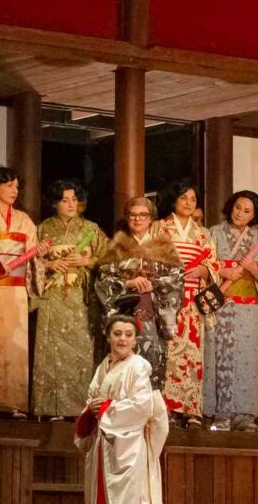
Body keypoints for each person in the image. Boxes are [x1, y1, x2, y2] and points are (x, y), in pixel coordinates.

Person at [75, 314, 180, 504]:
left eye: (128, 334)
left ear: (135, 339)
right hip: (105, 448)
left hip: (129, 450)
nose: (122, 339)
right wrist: (91, 411)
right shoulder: (103, 367)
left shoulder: (138, 366)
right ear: (109, 336)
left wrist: (106, 408)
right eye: (117, 333)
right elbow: (92, 399)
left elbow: (143, 406)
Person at [34, 180, 110, 418]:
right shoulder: (43, 229)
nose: (70, 204)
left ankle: (82, 409)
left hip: (80, 297)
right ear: (55, 202)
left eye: (74, 200)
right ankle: (49, 408)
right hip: (53, 295)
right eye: (65, 200)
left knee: (82, 351)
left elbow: (110, 258)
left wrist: (87, 262)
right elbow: (31, 261)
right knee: (51, 351)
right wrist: (48, 263)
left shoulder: (91, 228)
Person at [205, 191, 258, 431]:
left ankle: (244, 414)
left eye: (247, 211)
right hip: (221, 303)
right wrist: (222, 271)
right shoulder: (214, 232)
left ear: (254, 215)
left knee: (246, 358)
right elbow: (204, 264)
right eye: (238, 207)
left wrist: (253, 268)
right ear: (231, 206)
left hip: (248, 307)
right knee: (218, 354)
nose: (240, 213)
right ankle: (219, 412)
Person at [94, 196, 184, 388]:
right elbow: (103, 280)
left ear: (151, 218)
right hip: (124, 312)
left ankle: (149, 411)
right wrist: (127, 283)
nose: (138, 219)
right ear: (126, 218)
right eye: (133, 215)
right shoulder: (116, 246)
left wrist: (156, 285)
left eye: (143, 215)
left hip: (152, 311)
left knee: (151, 359)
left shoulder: (164, 246)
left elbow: (177, 278)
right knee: (122, 358)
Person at [0, 167, 48, 415]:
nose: (14, 191)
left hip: (16, 287)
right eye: (9, 185)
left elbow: (31, 254)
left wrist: (37, 254)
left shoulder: (24, 219)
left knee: (16, 342)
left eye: (17, 187)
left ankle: (15, 401)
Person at [155, 179, 218, 425]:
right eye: (184, 198)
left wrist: (204, 270)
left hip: (192, 301)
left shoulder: (203, 233)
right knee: (167, 353)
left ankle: (191, 408)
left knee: (193, 353)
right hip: (167, 298)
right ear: (174, 200)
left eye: (193, 199)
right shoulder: (160, 228)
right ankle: (166, 408)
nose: (189, 203)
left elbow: (213, 262)